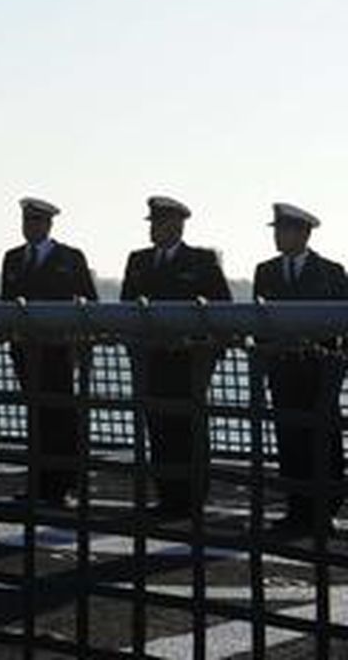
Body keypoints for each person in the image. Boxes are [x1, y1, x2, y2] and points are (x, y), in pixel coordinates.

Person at [120, 195, 231, 515]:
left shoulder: (201, 260)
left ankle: (192, 494)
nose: (153, 229)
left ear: (177, 225)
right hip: (150, 359)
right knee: (158, 425)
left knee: (189, 426)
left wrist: (201, 346)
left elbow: (222, 310)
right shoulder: (138, 261)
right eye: (152, 222)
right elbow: (128, 307)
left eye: (159, 223)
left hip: (189, 361)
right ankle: (167, 493)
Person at [253, 202, 348, 534]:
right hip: (282, 369)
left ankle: (325, 509)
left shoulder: (332, 272)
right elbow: (258, 322)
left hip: (320, 371)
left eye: (284, 230)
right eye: (277, 230)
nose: (278, 236)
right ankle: (297, 508)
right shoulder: (265, 271)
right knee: (289, 439)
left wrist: (339, 365)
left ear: (303, 233)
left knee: (325, 440)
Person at [0, 196, 97, 507]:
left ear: (48, 224)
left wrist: (79, 344)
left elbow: (89, 303)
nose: (30, 227)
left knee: (62, 417)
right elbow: (7, 303)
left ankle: (64, 485)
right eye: (27, 221)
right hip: (25, 349)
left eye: (36, 221)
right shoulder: (13, 258)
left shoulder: (70, 257)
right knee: (37, 416)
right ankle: (39, 483)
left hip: (60, 350)